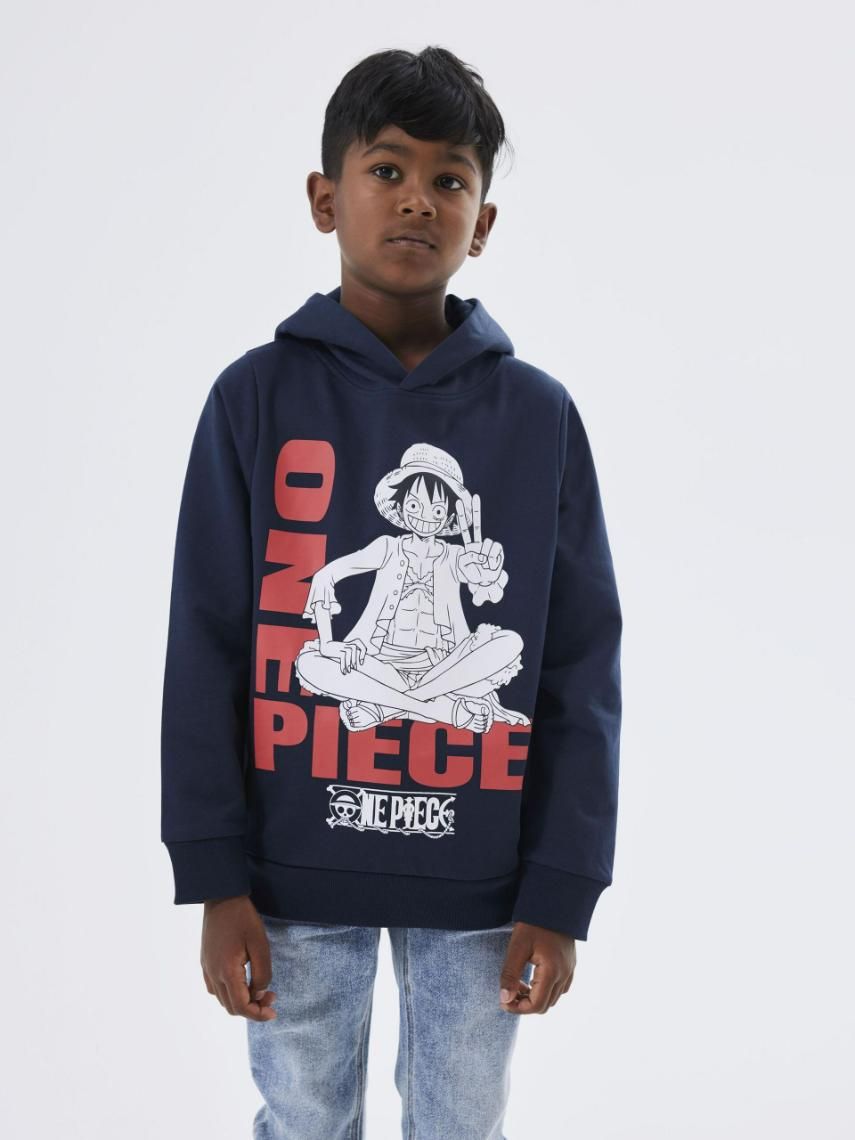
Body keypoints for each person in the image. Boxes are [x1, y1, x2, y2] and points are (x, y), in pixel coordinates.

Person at [160, 44, 623, 1140]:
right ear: (326, 198)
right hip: (291, 873)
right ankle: (414, 701)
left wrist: (560, 891)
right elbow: (207, 641)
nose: (418, 199)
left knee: (462, 1121)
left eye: (449, 179)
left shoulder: (538, 418)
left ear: (482, 221)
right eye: (387, 170)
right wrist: (216, 878)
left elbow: (577, 664)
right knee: (303, 1117)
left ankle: (423, 701)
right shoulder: (252, 398)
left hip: (481, 881)